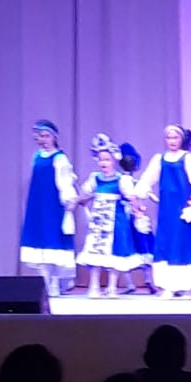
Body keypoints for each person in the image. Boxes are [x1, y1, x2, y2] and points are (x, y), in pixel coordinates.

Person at [135, 124, 191, 298]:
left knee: (185, 244)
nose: (172, 141)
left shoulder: (190, 159)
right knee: (167, 243)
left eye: (175, 137)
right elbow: (147, 179)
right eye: (169, 138)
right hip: (168, 209)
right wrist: (138, 195)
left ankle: (189, 286)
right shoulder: (159, 159)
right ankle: (168, 285)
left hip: (185, 207)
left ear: (182, 139)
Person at [76, 135, 142, 299]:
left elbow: (131, 197)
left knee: (115, 252)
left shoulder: (121, 180)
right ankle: (94, 285)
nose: (103, 163)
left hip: (116, 221)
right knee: (95, 251)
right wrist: (78, 200)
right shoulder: (95, 178)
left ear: (114, 160)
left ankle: (112, 286)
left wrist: (137, 209)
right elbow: (86, 194)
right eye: (100, 160)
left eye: (107, 159)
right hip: (99, 221)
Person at [19, 119, 77, 297]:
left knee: (53, 239)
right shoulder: (36, 157)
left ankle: (55, 282)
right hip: (38, 205)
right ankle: (44, 281)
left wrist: (69, 199)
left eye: (46, 136)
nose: (43, 140)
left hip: (53, 206)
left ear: (54, 137)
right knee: (40, 240)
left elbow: (64, 181)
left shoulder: (59, 158)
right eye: (40, 136)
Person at [120, 141, 156, 292]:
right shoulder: (123, 180)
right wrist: (137, 207)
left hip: (135, 216)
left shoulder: (135, 181)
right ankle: (133, 283)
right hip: (128, 216)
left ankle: (146, 281)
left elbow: (147, 194)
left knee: (142, 245)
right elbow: (132, 197)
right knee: (129, 247)